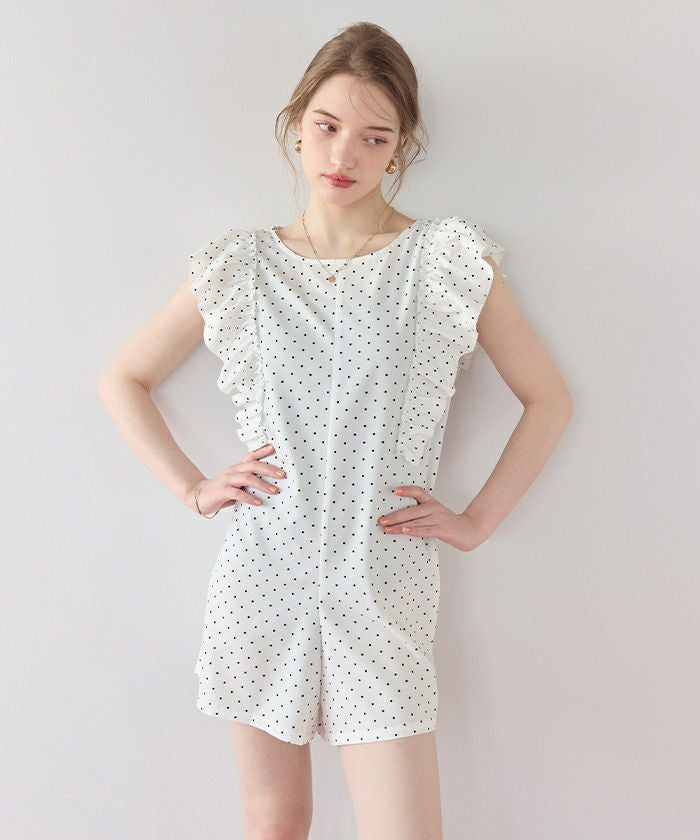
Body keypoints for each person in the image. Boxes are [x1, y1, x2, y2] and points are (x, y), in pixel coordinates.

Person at [98, 20, 573, 840]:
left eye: (373, 136)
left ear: (402, 146)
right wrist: (194, 487)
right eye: (326, 126)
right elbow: (123, 378)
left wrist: (476, 521)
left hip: (381, 580)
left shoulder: (443, 259)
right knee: (274, 825)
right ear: (295, 126)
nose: (343, 154)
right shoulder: (241, 266)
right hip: (262, 575)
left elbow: (548, 398)